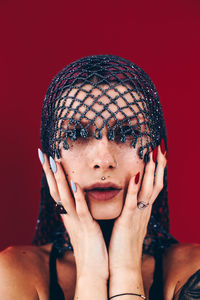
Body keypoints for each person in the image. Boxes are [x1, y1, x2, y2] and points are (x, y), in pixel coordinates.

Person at [0, 55, 199, 300]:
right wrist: (91, 274)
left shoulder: (192, 271)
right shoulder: (13, 274)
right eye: (77, 133)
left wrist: (126, 270)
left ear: (155, 153)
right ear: (52, 154)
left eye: (126, 132)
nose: (103, 160)